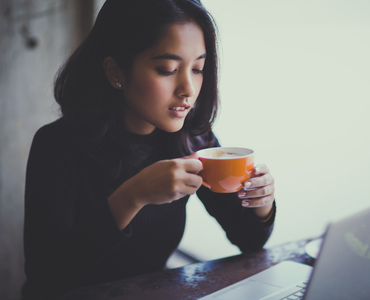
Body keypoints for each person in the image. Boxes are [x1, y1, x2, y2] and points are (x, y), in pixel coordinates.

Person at [22, 0, 276, 299]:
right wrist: (133, 196)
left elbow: (249, 242)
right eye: (167, 69)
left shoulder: (192, 140)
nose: (188, 89)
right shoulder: (57, 146)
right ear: (116, 71)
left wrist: (261, 205)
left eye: (198, 68)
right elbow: (46, 277)